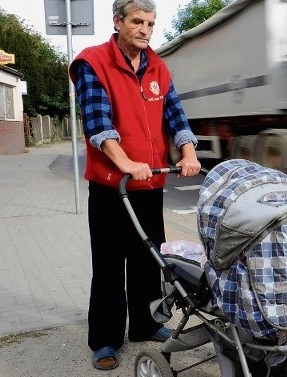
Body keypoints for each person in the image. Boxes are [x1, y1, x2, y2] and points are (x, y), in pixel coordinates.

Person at [69, 0, 201, 370]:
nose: (145, 29)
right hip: (112, 185)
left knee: (149, 260)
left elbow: (176, 115)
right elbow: (97, 121)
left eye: (151, 23)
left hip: (150, 182)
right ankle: (106, 339)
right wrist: (125, 162)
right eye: (137, 22)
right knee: (110, 264)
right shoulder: (93, 62)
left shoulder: (157, 65)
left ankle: (144, 325)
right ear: (118, 22)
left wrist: (187, 152)